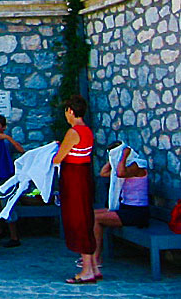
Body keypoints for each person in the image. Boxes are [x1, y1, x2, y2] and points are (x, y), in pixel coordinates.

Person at [52, 95, 97, 284]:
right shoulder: (87, 131)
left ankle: (86, 270)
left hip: (74, 179)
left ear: (70, 111)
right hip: (84, 175)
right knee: (86, 218)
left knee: (78, 219)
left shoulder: (73, 132)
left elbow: (58, 158)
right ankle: (93, 267)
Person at [88, 141, 149, 273]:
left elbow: (121, 173)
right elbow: (103, 173)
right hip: (125, 208)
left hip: (136, 212)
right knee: (90, 214)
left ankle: (96, 258)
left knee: (95, 219)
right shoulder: (123, 166)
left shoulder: (137, 165)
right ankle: (91, 254)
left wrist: (123, 155)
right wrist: (112, 160)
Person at [0, 114, 25, 247]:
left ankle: (14, 237)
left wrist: (8, 138)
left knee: (7, 205)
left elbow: (21, 150)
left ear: (3, 127)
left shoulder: (5, 141)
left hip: (6, 176)